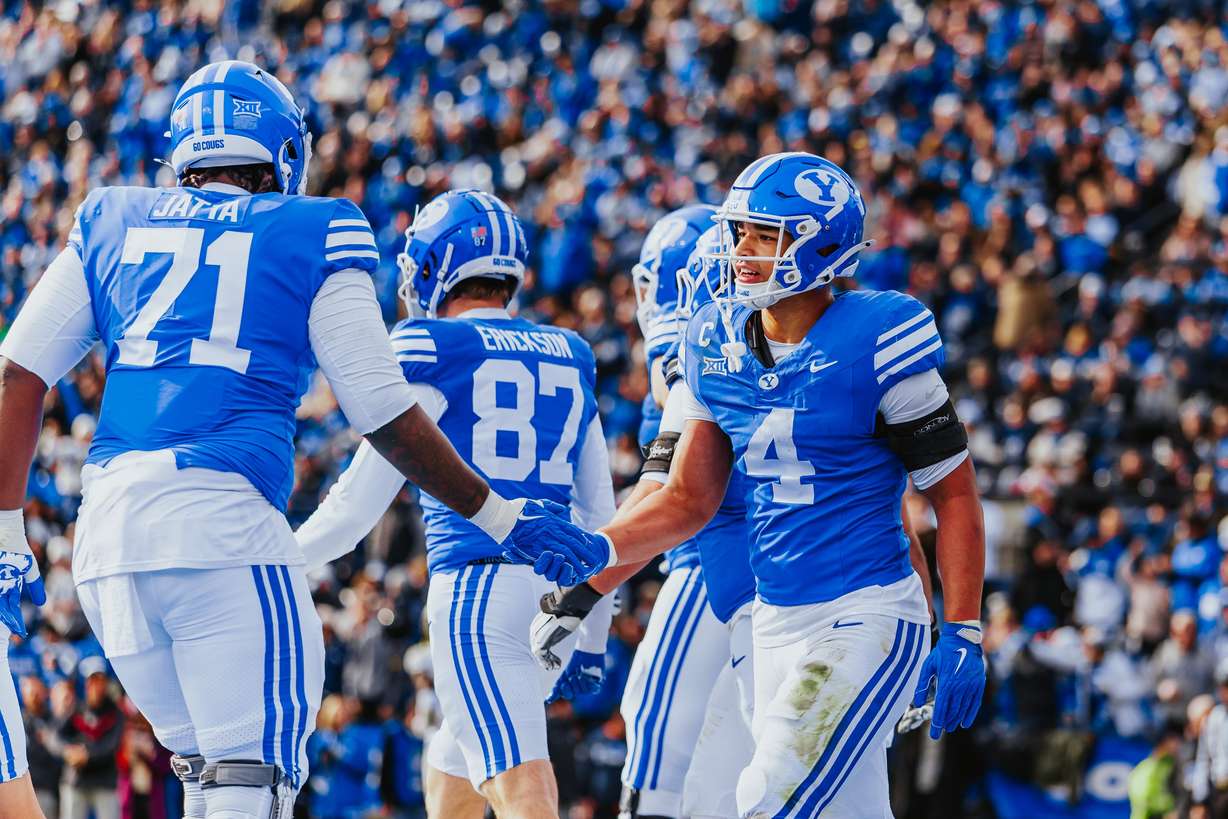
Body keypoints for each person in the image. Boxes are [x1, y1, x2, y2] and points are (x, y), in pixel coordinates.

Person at [0, 61, 590, 819]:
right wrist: (502, 517)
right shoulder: (318, 226)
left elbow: (16, 374)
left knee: (206, 777)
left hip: (107, 546)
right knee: (253, 781)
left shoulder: (111, 213)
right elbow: (380, 407)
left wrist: (8, 532)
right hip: (222, 529)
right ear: (282, 149)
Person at [508, 152, 987, 818]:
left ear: (821, 244)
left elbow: (952, 495)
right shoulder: (715, 340)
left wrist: (962, 627)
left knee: (766, 795)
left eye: (766, 235)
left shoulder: (878, 337)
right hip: (773, 622)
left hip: (868, 612)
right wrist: (598, 553)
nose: (743, 251)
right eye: (740, 233)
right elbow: (687, 498)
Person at [293, 188, 616, 819]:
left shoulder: (432, 345)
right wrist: (594, 634)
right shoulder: (571, 354)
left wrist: (278, 555)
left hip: (479, 589)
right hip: (560, 599)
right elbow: (600, 515)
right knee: (453, 772)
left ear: (435, 264)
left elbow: (356, 507)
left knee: (522, 787)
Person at [545, 205, 735, 819]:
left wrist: (582, 586)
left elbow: (667, 493)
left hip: (713, 572)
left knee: (656, 752)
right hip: (788, 583)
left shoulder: (693, 354)